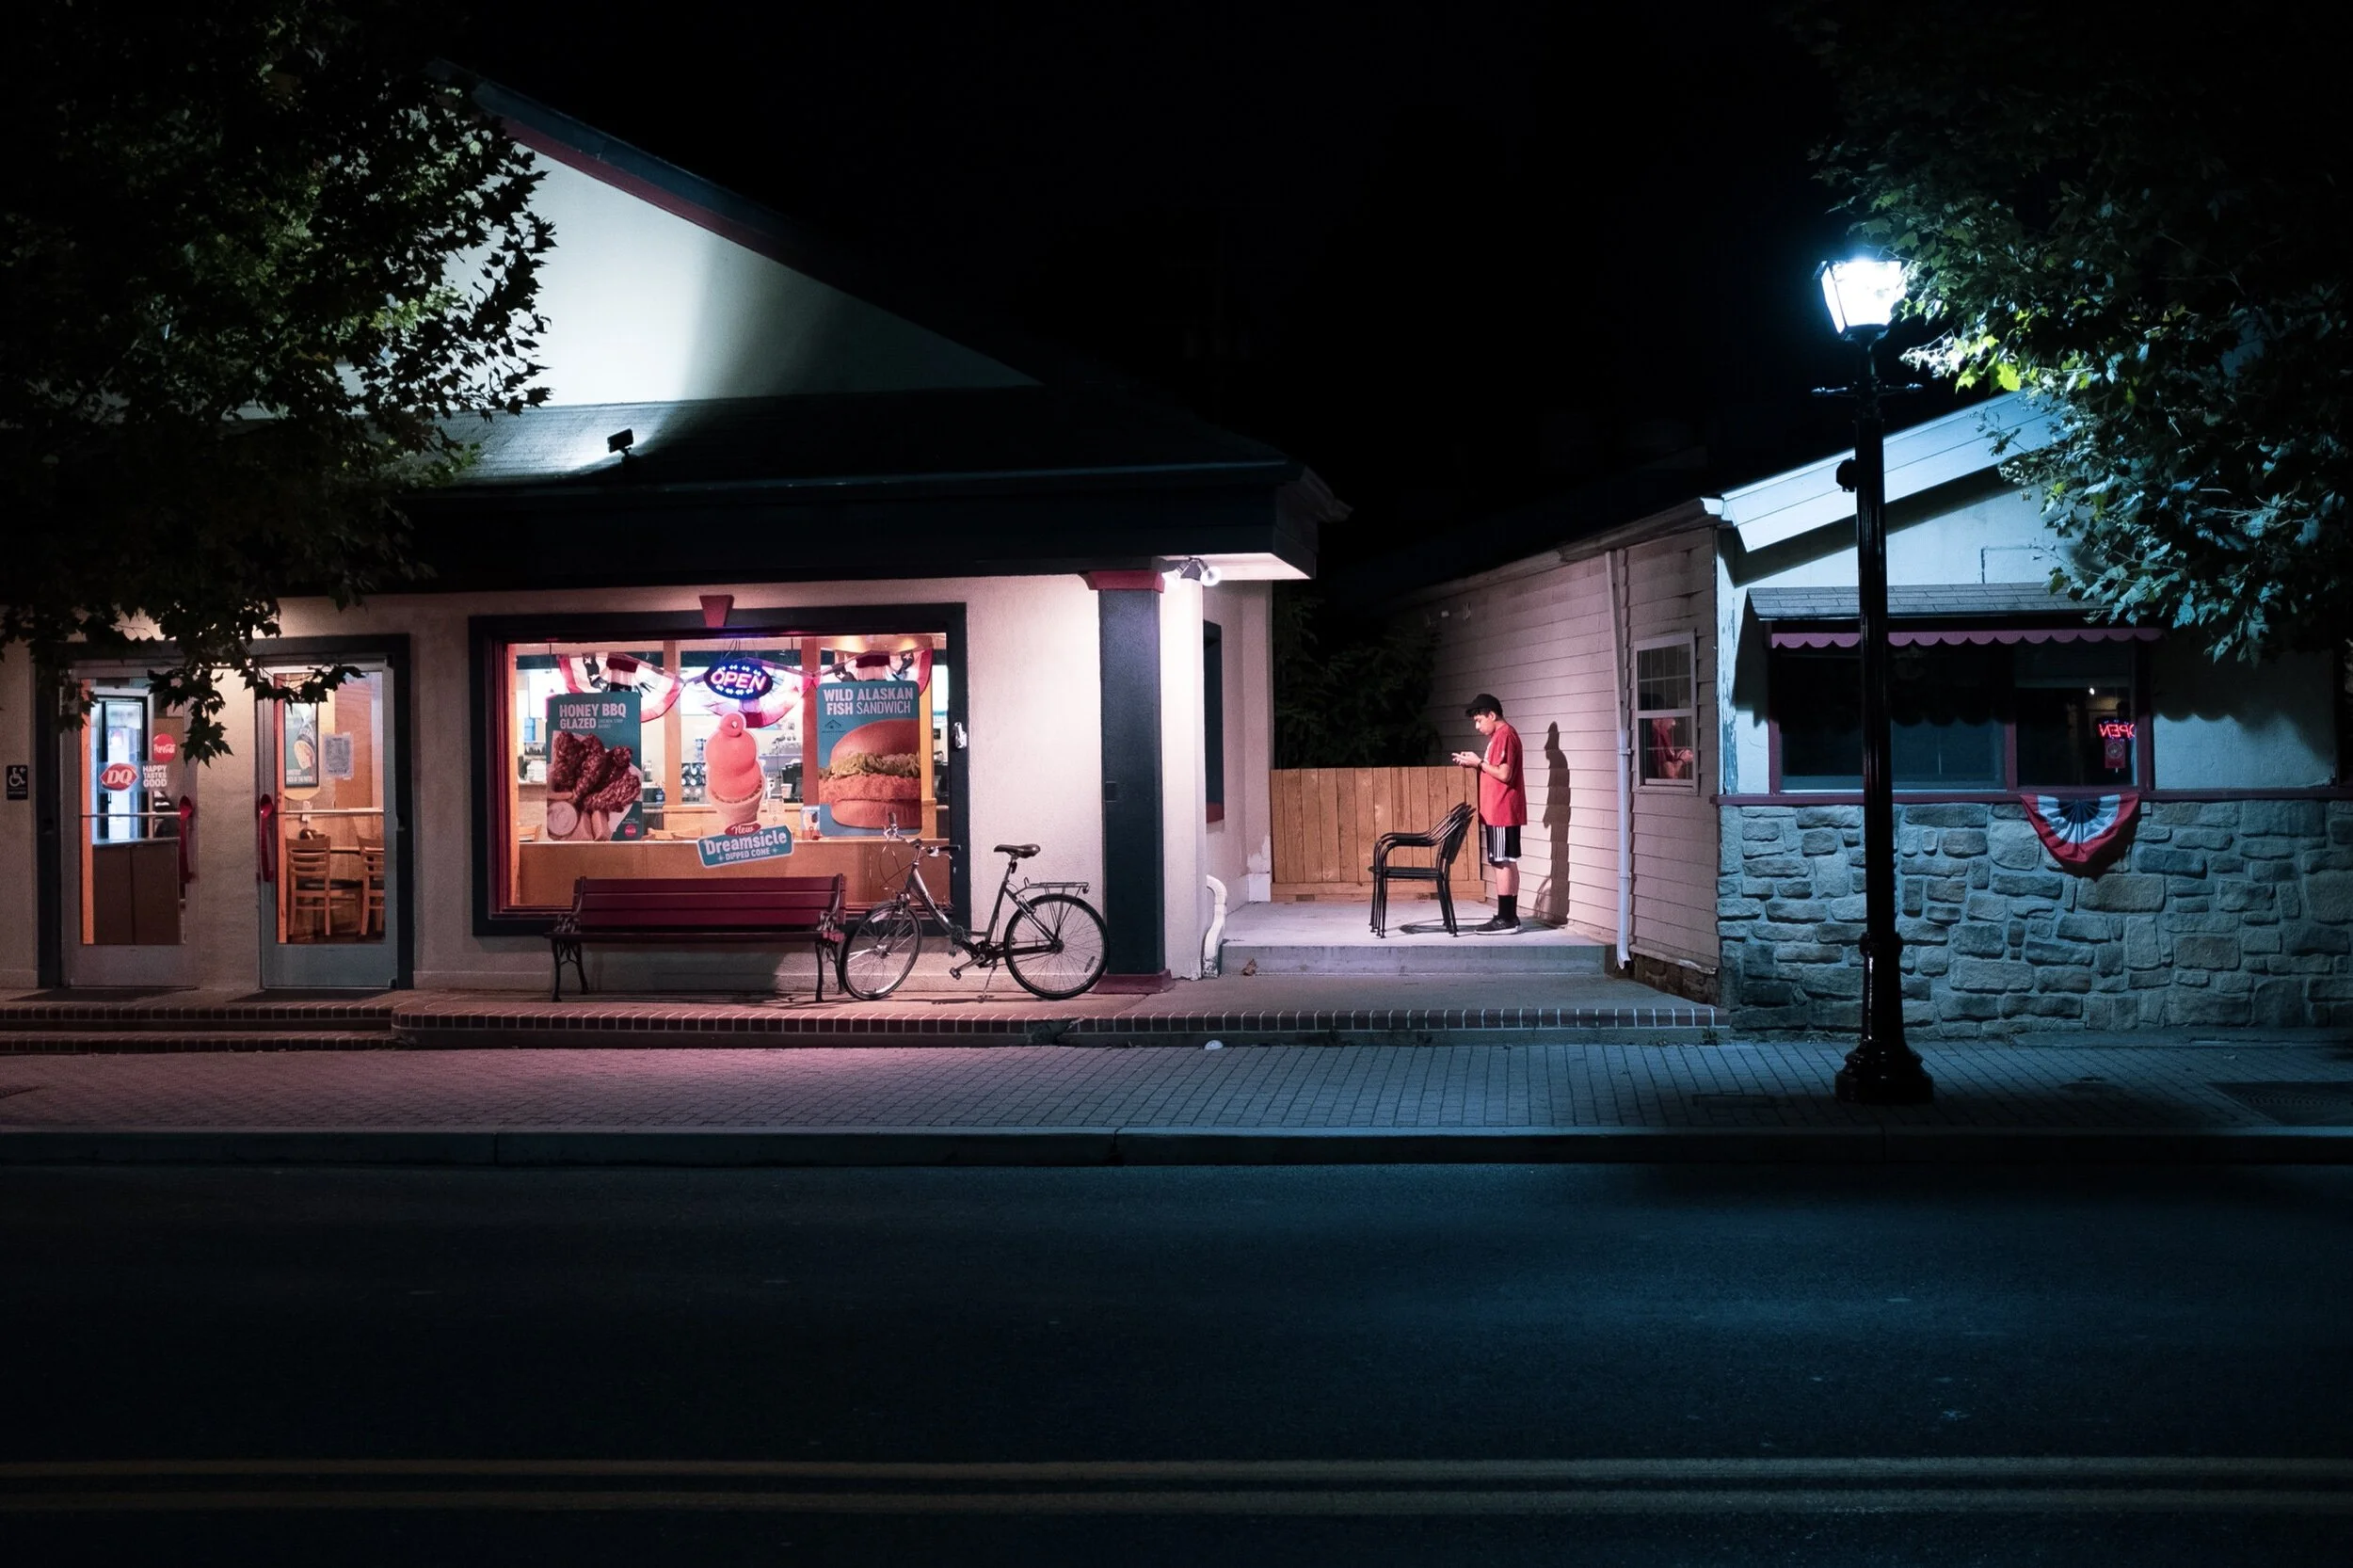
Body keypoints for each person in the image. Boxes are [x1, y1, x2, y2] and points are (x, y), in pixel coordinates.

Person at [1451, 693, 1526, 933]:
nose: (1477, 726)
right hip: (1501, 810)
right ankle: (1509, 916)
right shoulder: (1500, 736)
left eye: (1479, 720)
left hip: (1502, 810)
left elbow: (1504, 774)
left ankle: (1506, 918)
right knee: (1506, 860)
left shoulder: (1505, 735)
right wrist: (1474, 764)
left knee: (1500, 861)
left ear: (1492, 715)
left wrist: (1479, 763)